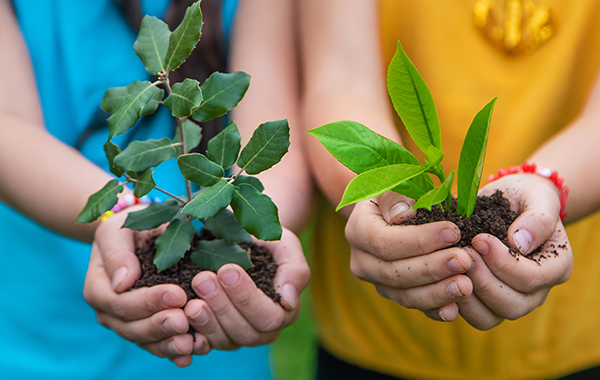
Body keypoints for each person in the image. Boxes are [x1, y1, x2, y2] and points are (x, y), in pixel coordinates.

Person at [0, 0, 310, 378]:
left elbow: (271, 116)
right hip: (40, 332)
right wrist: (124, 212)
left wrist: (254, 227)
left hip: (216, 340)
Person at [298, 0, 600, 379]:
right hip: (377, 337)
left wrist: (546, 183)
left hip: (570, 332)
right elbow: (340, 79)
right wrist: (386, 196)